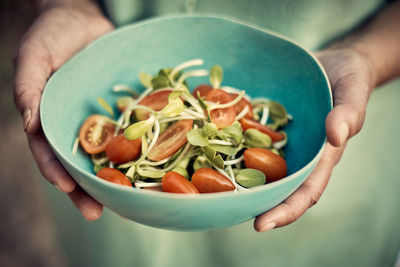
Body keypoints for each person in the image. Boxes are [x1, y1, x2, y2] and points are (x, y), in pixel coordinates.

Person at [13, 0, 400, 266]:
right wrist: (64, 5)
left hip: (335, 140)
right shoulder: (145, 121)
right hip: (121, 217)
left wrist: (365, 53)